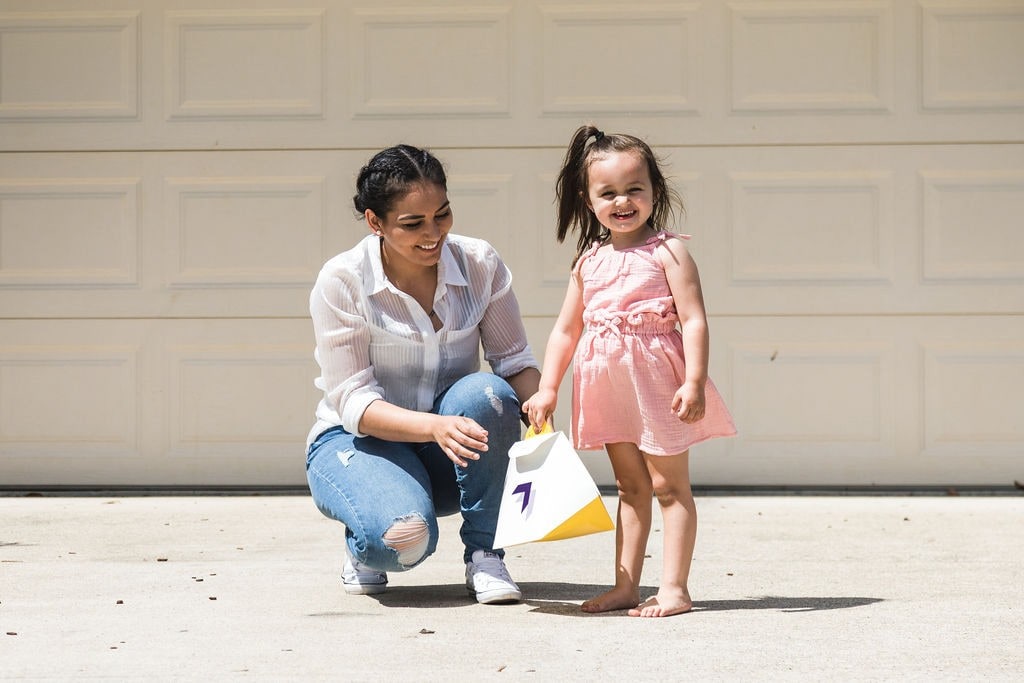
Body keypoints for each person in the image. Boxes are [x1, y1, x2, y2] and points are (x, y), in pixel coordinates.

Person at [306, 144, 541, 605]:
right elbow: (353, 402)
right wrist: (434, 427)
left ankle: (486, 556)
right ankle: (367, 538)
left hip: (445, 448)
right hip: (357, 441)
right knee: (403, 541)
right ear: (375, 222)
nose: (433, 234)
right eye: (413, 224)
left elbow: (513, 362)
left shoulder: (480, 263)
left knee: (489, 395)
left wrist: (545, 418)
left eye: (443, 215)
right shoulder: (343, 280)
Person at [523, 125, 736, 617]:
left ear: (654, 191)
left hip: (660, 384)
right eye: (609, 192)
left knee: (668, 486)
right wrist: (548, 386)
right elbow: (565, 331)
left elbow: (694, 318)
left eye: (634, 189)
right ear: (588, 199)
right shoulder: (588, 262)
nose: (623, 201)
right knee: (629, 487)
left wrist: (694, 379)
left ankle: (675, 588)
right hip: (608, 386)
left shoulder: (668, 251)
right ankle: (625, 586)